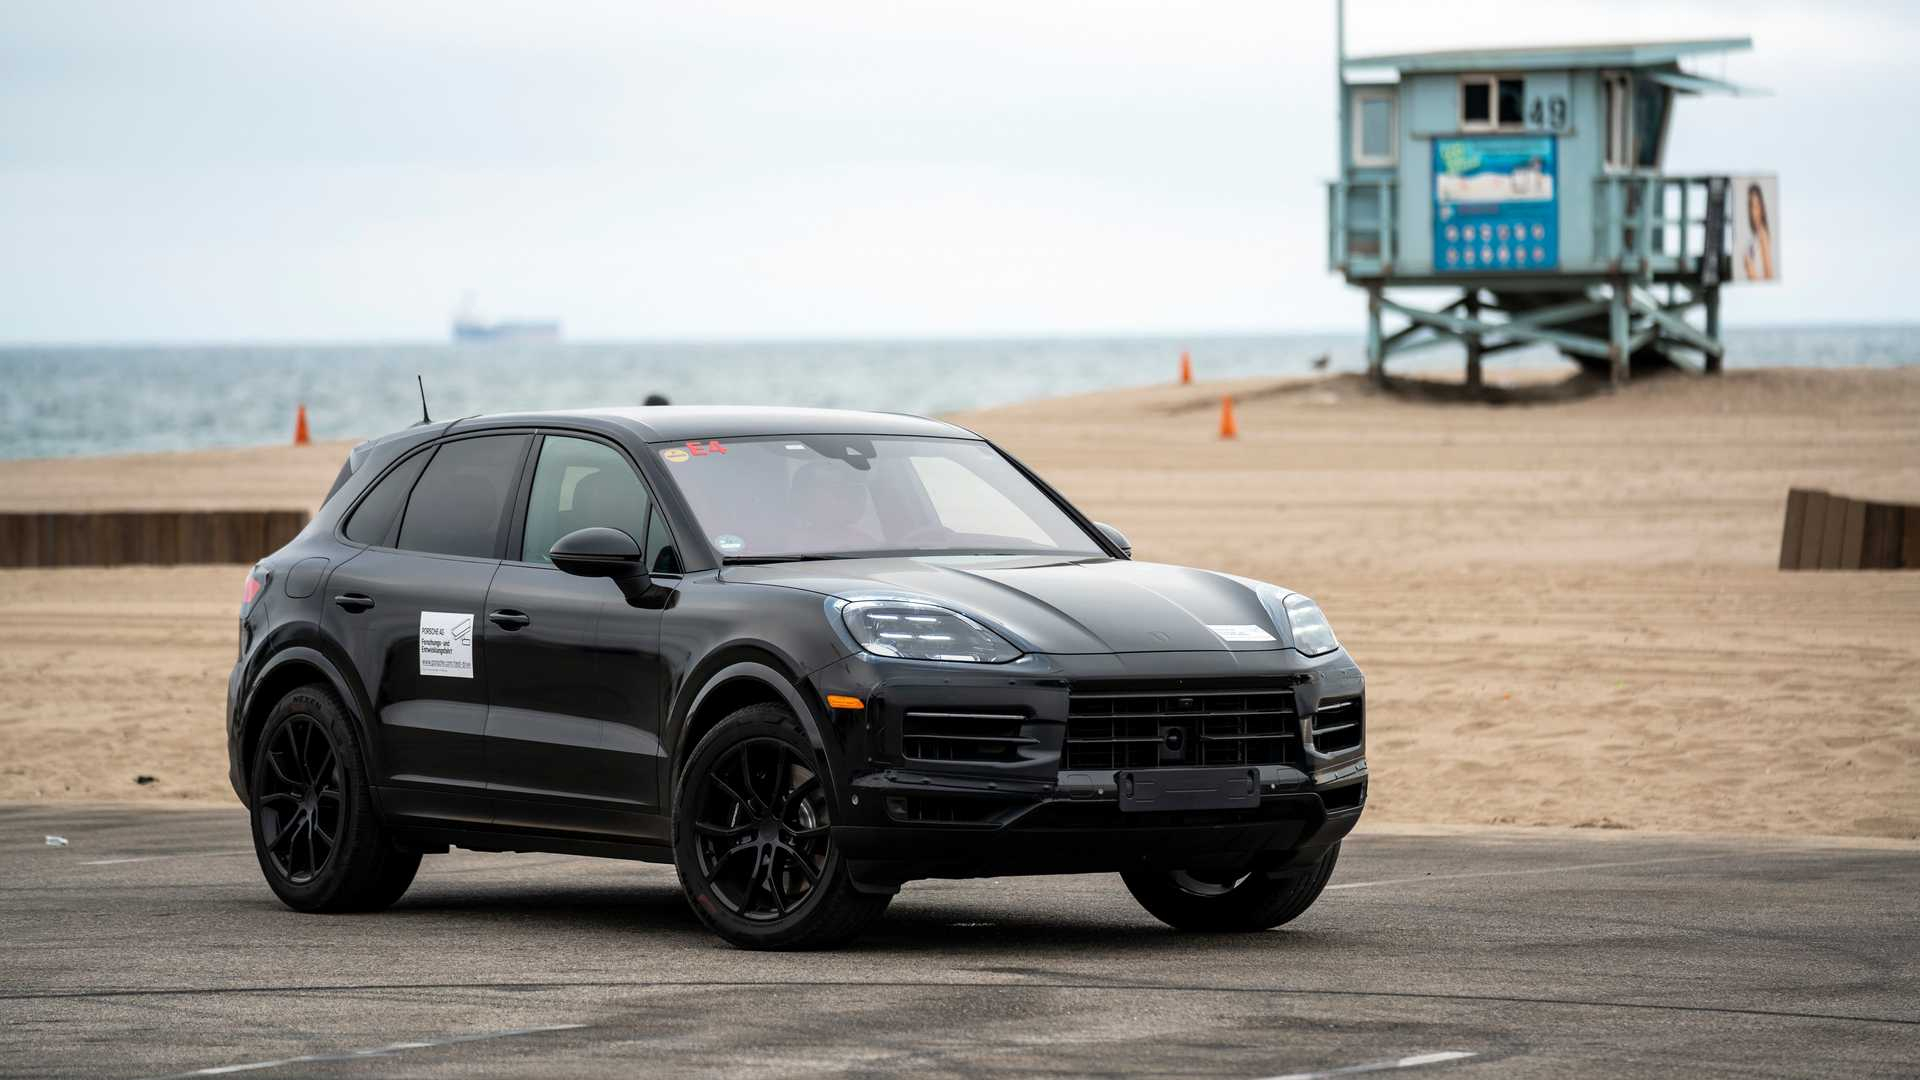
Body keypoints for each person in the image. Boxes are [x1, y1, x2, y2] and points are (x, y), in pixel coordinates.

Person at [1742, 183, 1774, 281]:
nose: (1753, 212)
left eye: (1757, 206)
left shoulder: (1762, 234)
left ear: (1762, 208)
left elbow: (1769, 276)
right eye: (1751, 206)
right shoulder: (1754, 234)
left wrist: (1751, 271)